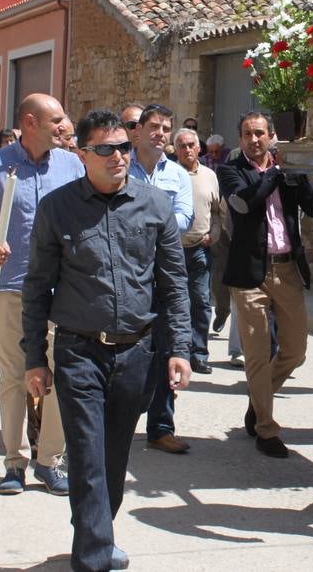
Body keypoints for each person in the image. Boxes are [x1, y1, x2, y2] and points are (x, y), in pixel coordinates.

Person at [23, 109, 190, 572]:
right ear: (82, 154)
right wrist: (34, 359)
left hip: (137, 352)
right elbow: (37, 288)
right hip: (79, 350)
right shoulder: (57, 208)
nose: (117, 156)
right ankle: (94, 556)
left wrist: (178, 348)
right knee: (87, 452)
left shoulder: (155, 205)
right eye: (105, 149)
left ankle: (95, 531)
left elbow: (173, 284)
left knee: (114, 457)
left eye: (122, 147)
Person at [0, 93, 82, 497]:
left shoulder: (70, 165)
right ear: (30, 122)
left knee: (60, 376)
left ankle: (50, 460)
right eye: (57, 120)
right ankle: (14, 462)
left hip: (62, 290)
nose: (64, 126)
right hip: (13, 287)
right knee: (13, 377)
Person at [218, 112, 313, 458]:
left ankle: (259, 401)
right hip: (249, 274)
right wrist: (275, 174)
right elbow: (246, 203)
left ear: (271, 136)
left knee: (295, 350)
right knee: (257, 354)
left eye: (259, 133)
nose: (254, 139)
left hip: (286, 269)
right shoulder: (230, 170)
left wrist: (300, 177)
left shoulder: (285, 169)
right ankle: (266, 429)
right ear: (240, 139)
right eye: (247, 134)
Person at [126, 103, 194, 454]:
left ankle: (161, 427)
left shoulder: (178, 176)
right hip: (127, 274)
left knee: (167, 349)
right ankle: (118, 424)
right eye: (154, 126)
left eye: (166, 128)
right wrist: (159, 220)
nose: (161, 133)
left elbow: (183, 218)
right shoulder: (124, 168)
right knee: (128, 352)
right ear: (137, 130)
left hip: (164, 273)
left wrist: (148, 223)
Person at [172, 127, 222, 377]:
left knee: (201, 302)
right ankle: (174, 352)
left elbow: (217, 211)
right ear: (175, 150)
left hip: (200, 249)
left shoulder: (210, 176)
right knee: (175, 302)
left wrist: (214, 234)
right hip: (172, 251)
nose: (187, 149)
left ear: (199, 148)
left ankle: (199, 354)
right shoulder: (169, 175)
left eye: (191, 144)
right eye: (182, 145)